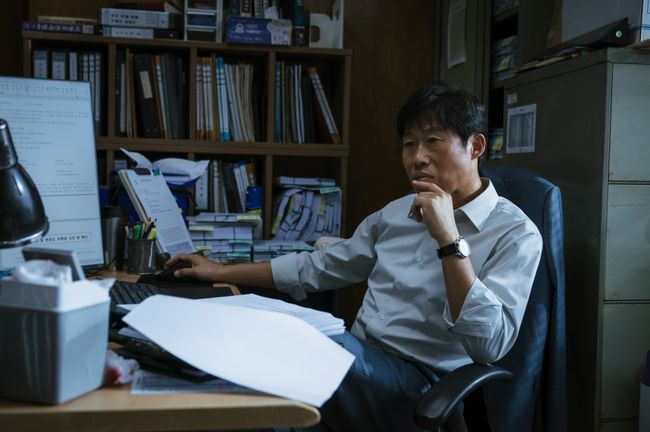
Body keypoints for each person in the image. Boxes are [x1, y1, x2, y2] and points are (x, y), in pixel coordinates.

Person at [167, 83, 543, 431]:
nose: (417, 157)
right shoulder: (395, 213)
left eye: (432, 141)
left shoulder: (515, 233)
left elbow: (489, 346)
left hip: (421, 387)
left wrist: (448, 239)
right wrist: (220, 271)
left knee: (293, 346)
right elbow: (319, 267)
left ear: (476, 146)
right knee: (257, 356)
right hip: (361, 364)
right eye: (409, 144)